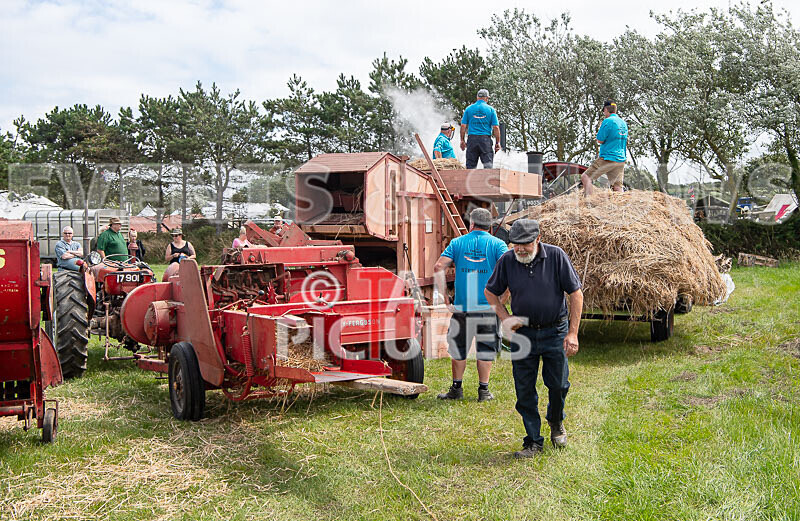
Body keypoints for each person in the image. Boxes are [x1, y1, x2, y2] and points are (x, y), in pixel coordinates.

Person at [484, 219, 584, 458]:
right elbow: (490, 291)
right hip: (522, 334)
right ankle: (533, 442)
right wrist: (505, 317)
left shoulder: (557, 256)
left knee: (559, 385)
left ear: (538, 239)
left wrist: (572, 333)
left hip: (555, 330)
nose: (519, 249)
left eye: (525, 244)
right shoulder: (507, 260)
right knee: (524, 388)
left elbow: (576, 294)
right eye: (515, 244)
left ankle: (556, 421)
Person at [434, 208, 508, 402]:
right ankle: (483, 391)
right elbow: (511, 269)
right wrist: (504, 298)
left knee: (458, 348)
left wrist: (445, 296)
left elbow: (438, 267)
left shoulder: (457, 243)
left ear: (471, 225)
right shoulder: (498, 244)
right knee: (485, 349)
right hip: (488, 307)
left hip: (462, 307)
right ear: (490, 227)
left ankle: (456, 389)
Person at [581, 100, 629, 196]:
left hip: (608, 158)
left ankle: (590, 202)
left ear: (606, 109)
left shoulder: (607, 121)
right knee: (618, 186)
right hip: (620, 159)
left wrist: (600, 127)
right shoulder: (623, 123)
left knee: (586, 177)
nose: (604, 113)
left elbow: (600, 140)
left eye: (604, 111)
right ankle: (620, 207)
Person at [460, 89, 500, 169]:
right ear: (486, 98)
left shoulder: (468, 109)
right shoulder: (491, 110)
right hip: (485, 140)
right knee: (488, 166)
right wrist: (497, 142)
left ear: (477, 97)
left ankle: (470, 181)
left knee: (470, 166)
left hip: (472, 139)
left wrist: (462, 140)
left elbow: (463, 126)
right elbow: (496, 127)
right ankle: (487, 181)